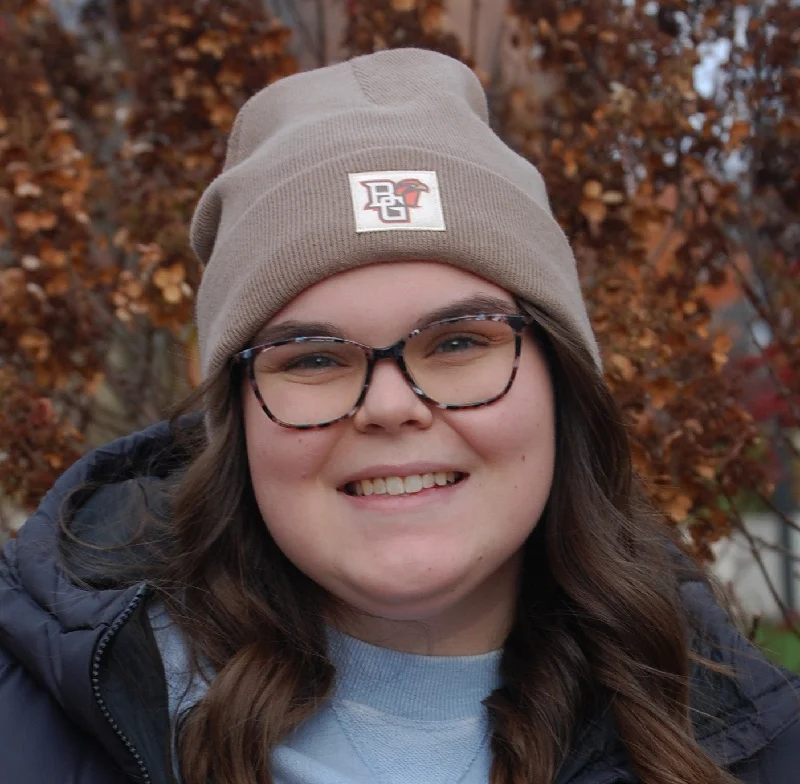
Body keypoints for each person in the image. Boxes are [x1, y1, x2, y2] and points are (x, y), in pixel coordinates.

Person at [0, 48, 798, 784]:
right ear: (233, 424)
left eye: (457, 341)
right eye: (312, 357)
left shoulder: (757, 743)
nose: (390, 405)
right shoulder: (31, 719)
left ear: (562, 385)